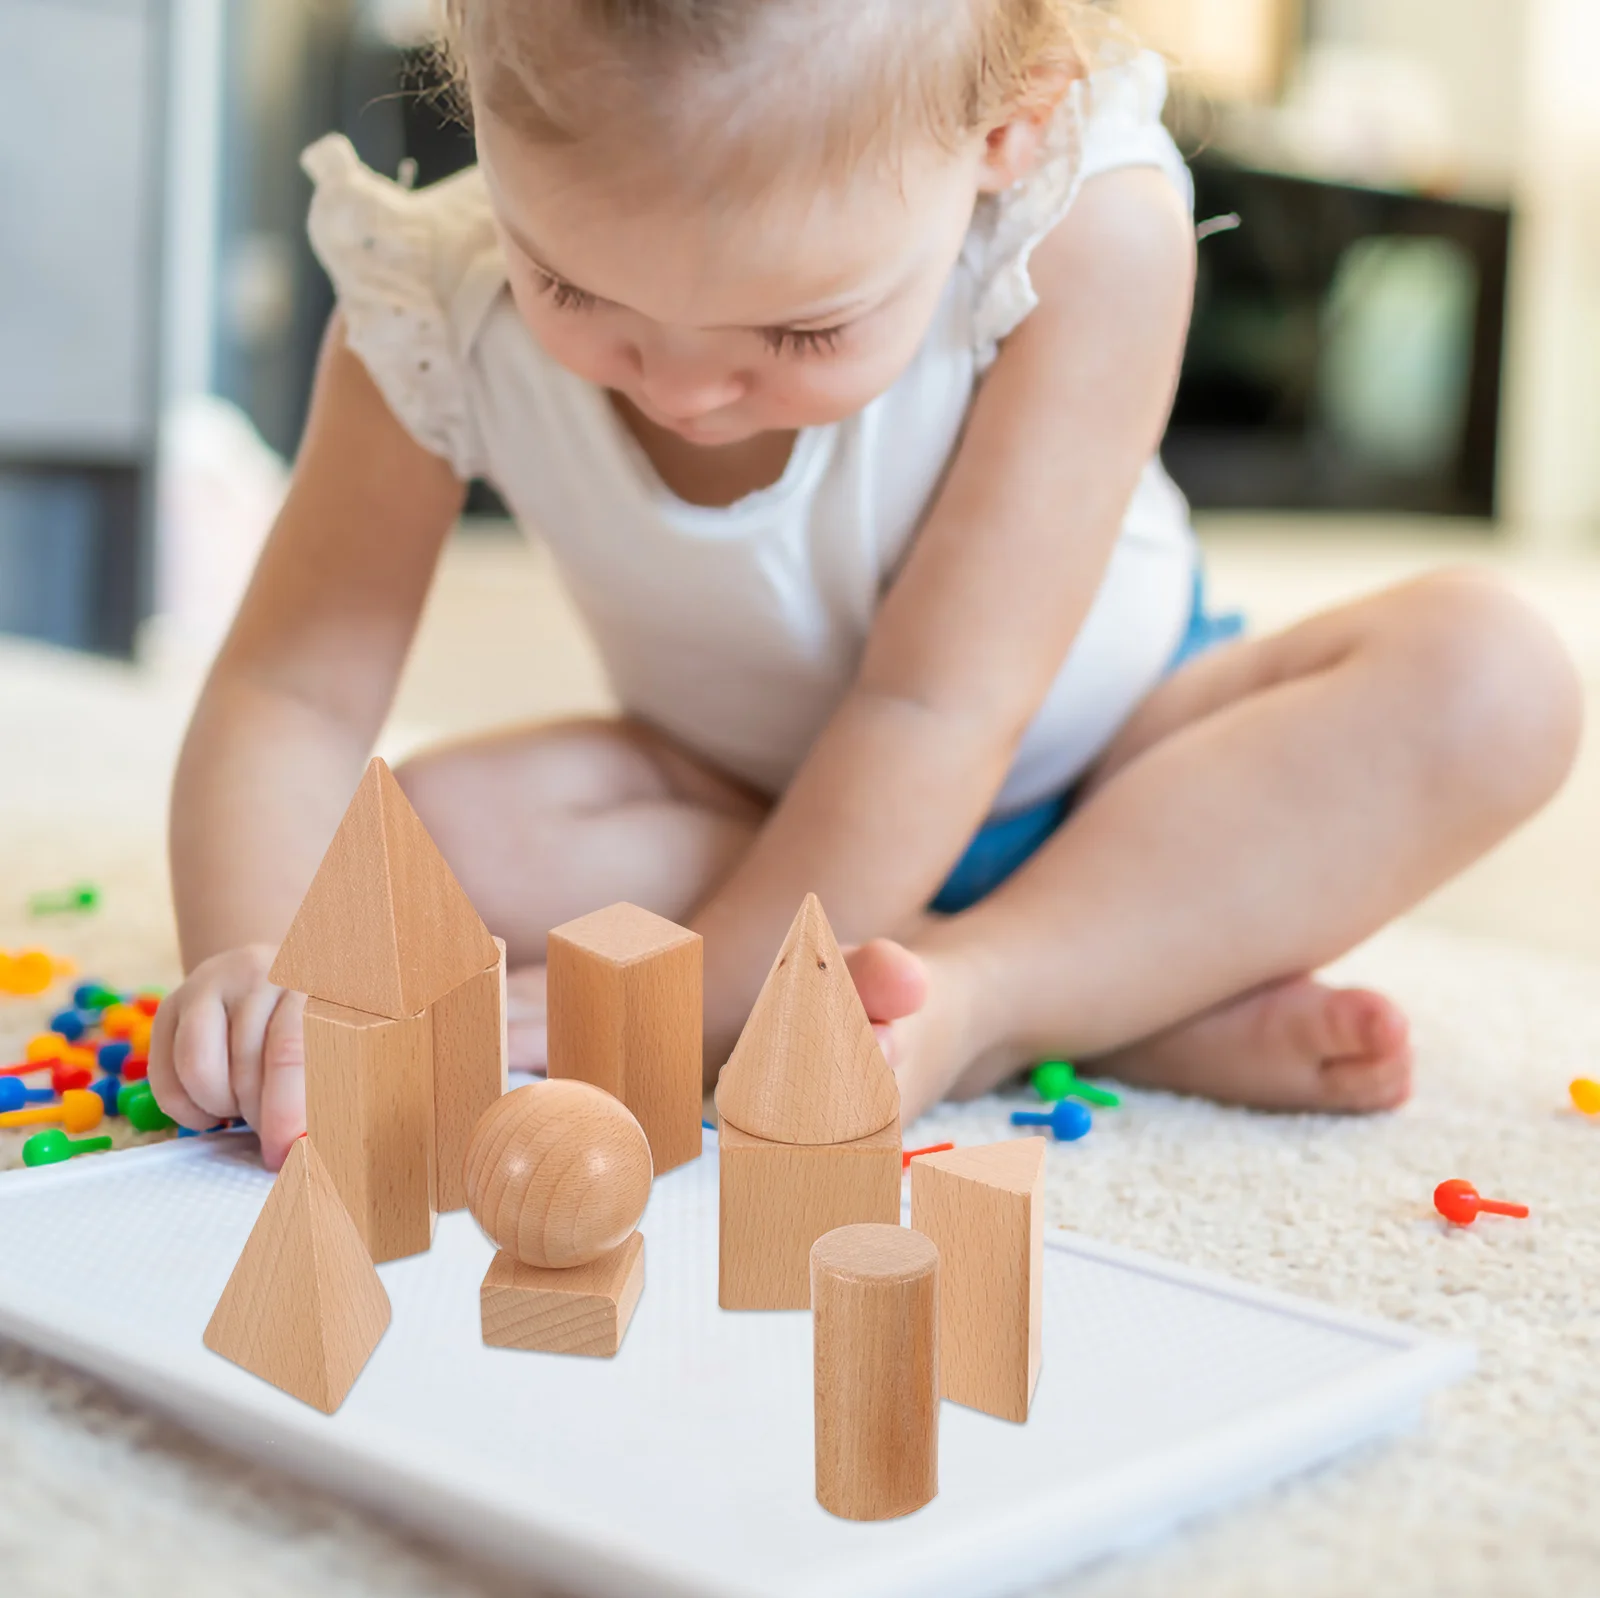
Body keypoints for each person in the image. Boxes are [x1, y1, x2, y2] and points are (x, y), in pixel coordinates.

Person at [150, 0, 1581, 1171]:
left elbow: (934, 704)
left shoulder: (1088, 234)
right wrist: (264, 957)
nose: (693, 388)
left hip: (1123, 770)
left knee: (1491, 680)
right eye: (574, 288)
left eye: (800, 324)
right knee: (414, 859)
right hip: (741, 809)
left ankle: (990, 995)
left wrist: (692, 1016)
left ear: (1007, 130)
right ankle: (1134, 994)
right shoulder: (423, 306)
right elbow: (290, 689)